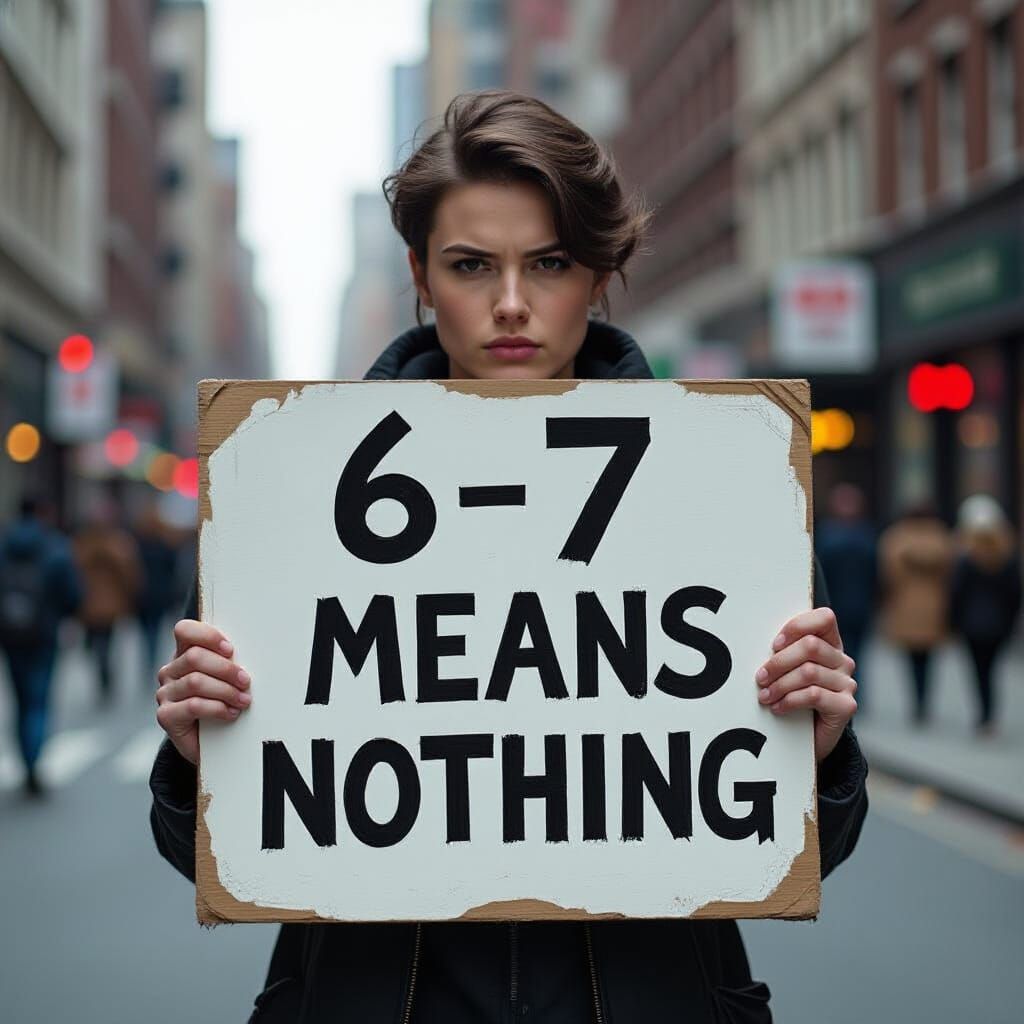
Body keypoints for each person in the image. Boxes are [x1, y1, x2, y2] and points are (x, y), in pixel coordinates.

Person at [150, 91, 867, 1023]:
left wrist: (817, 754)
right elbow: (219, 848)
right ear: (419, 273)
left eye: (551, 263)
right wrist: (196, 760)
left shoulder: (728, 486)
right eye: (471, 265)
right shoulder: (284, 493)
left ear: (600, 274)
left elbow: (812, 843)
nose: (513, 303)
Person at [0, 496, 82, 796]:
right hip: (44, 635)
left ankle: (25, 761)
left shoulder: (5, 545)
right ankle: (34, 762)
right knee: (38, 701)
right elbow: (72, 594)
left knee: (20, 700)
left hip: (10, 635)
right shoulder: (54, 546)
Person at [950, 495, 1022, 737]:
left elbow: (957, 593)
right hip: (999, 625)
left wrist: (955, 621)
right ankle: (990, 715)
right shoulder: (1007, 558)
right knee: (992, 669)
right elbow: (1015, 595)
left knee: (979, 672)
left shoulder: (967, 559)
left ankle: (984, 716)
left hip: (972, 625)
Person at [878, 503, 954, 724]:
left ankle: (916, 704)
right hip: (934, 607)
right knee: (929, 660)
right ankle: (925, 702)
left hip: (905, 607)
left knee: (911, 659)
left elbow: (889, 574)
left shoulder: (896, 538)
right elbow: (951, 572)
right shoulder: (941, 537)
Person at [73, 494, 142, 705]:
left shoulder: (101, 543)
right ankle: (105, 677)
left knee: (101, 644)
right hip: (97, 604)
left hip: (99, 605)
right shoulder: (109, 543)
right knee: (100, 645)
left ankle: (104, 677)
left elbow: (129, 574)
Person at [816, 483, 876, 712]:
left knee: (849, 651)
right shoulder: (865, 535)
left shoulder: (829, 536)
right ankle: (853, 691)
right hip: (852, 604)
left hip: (844, 604)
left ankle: (849, 690)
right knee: (853, 651)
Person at [132, 499, 180, 687]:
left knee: (146, 633)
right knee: (154, 633)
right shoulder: (165, 544)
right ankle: (151, 661)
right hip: (159, 595)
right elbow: (172, 569)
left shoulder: (137, 544)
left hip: (143, 595)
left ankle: (147, 663)